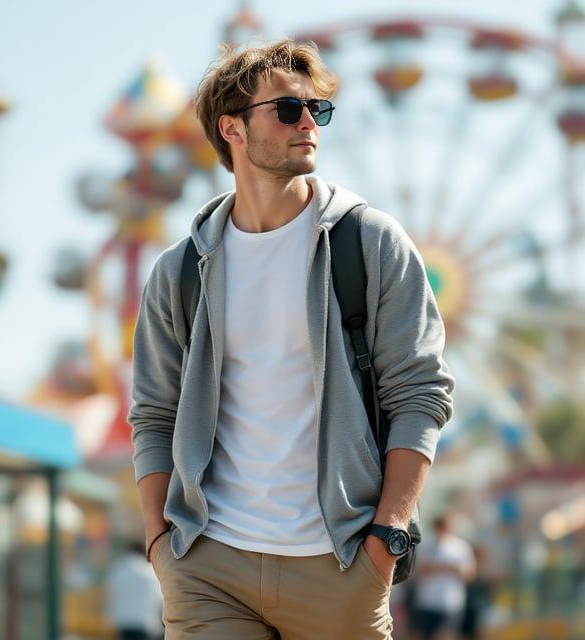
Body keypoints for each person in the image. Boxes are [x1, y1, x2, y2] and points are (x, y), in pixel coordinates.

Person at [128, 39, 455, 639]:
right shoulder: (178, 272)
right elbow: (154, 414)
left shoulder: (372, 245)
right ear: (232, 128)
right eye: (286, 109)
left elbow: (421, 395)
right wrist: (160, 543)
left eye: (317, 110)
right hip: (209, 566)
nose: (309, 122)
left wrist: (386, 539)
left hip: (339, 564)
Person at [413, 515, 476, 640]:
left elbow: (470, 573)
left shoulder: (460, 547)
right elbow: (418, 570)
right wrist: (441, 568)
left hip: (450, 604)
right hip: (426, 601)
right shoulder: (426, 545)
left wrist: (455, 570)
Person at [104, 540, 164, 640]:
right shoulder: (148, 570)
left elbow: (110, 594)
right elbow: (159, 598)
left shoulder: (118, 569)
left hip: (122, 622)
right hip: (145, 623)